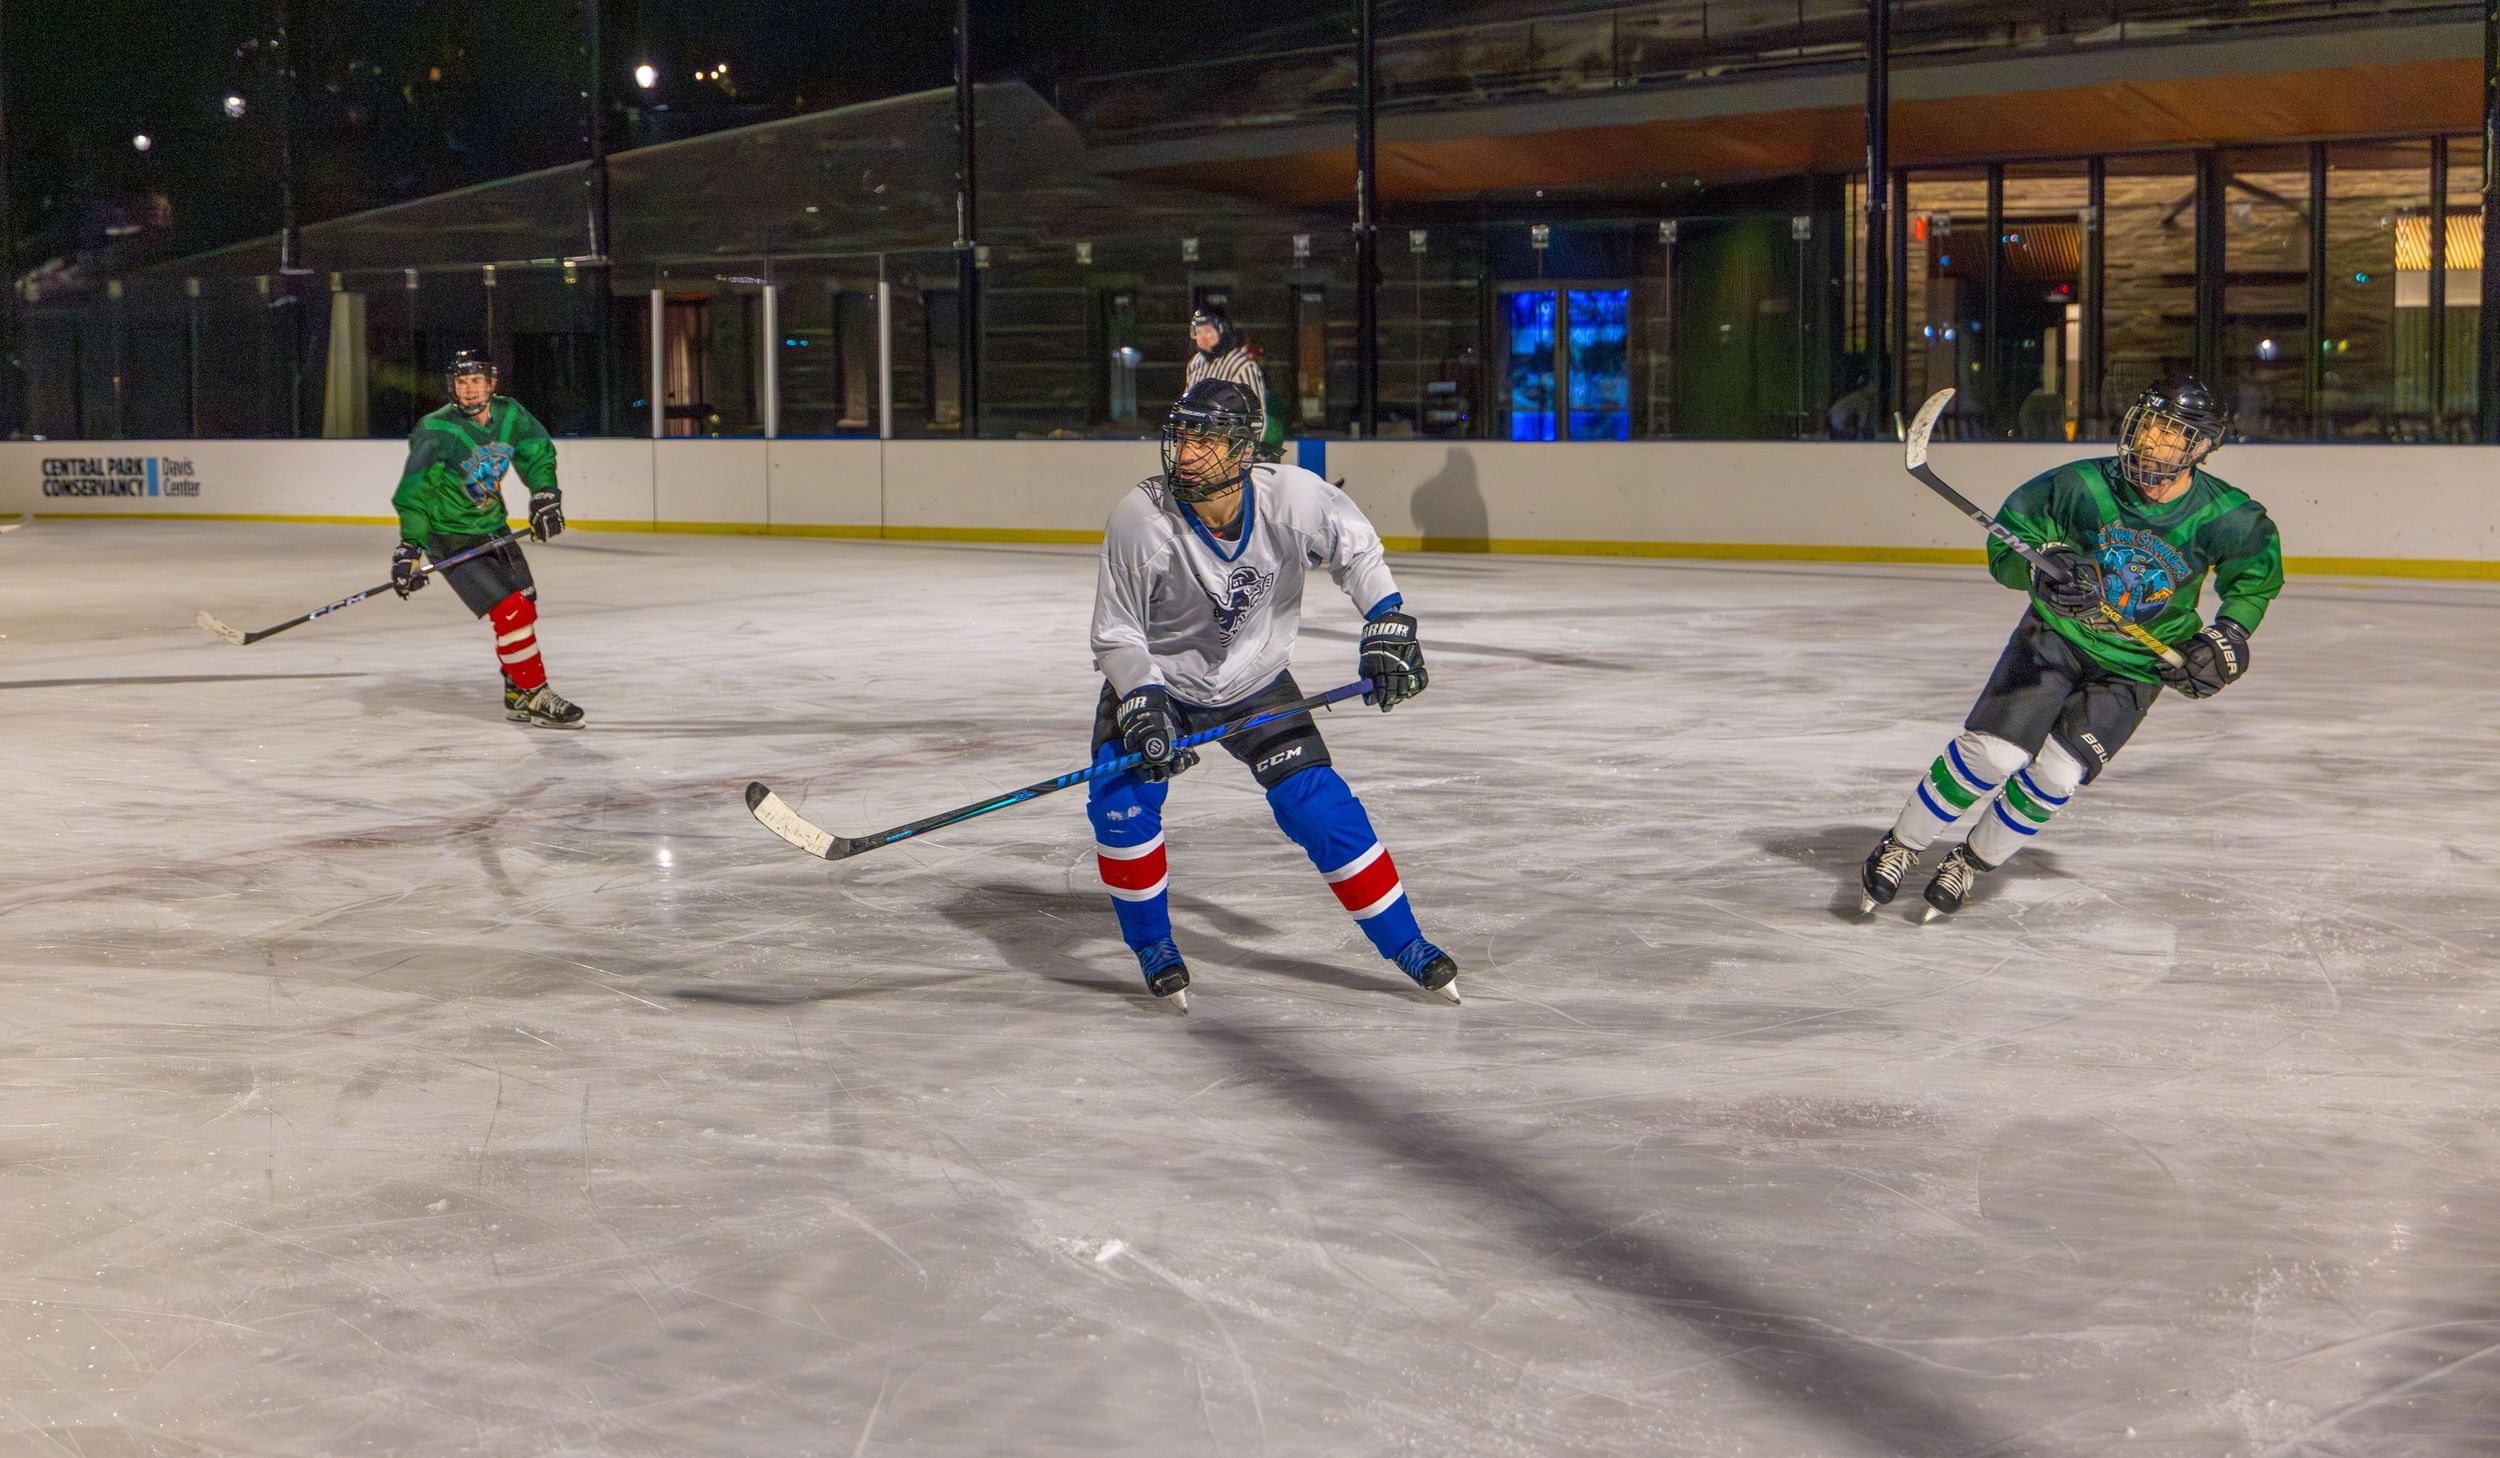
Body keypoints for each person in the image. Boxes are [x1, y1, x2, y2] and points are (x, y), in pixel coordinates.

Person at [1087, 378, 1457, 1011]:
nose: (1187, 454)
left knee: (1321, 810)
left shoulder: (1293, 498)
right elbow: (1117, 631)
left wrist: (1386, 618)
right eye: (1181, 438)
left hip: (1255, 683)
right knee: (1119, 807)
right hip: (1161, 684)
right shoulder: (1140, 518)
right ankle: (1153, 946)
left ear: (1242, 450)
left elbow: (1357, 551)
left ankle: (1408, 945)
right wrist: (1141, 700)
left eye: (1206, 440)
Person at [1858, 375, 2282, 919]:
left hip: (2136, 668)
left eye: (2171, 434)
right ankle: (1902, 844)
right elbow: (2008, 548)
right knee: (1995, 753)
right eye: (2149, 425)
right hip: (2056, 637)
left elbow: (2255, 579)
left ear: (2200, 447)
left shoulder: (2226, 514)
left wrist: (2229, 634)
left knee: (2059, 774)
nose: (2153, 441)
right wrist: (2045, 572)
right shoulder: (2081, 486)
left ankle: (1969, 862)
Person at [387, 350, 584, 728]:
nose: (470, 389)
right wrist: (409, 547)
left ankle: (516, 693)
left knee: (525, 606)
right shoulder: (436, 429)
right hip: (449, 536)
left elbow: (536, 451)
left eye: (477, 380)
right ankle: (535, 694)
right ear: (453, 388)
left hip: (492, 525)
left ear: (492, 383)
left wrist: (545, 494)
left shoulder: (510, 415)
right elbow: (415, 493)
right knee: (512, 611)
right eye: (462, 382)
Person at [1182, 306, 1268, 448]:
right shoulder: (1195, 363)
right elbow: (1188, 405)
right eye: (1198, 332)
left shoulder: (1242, 366)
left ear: (1223, 331)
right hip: (1198, 444)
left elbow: (1256, 416)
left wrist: (1243, 451)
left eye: (1208, 331)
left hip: (1227, 445)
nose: (1202, 338)